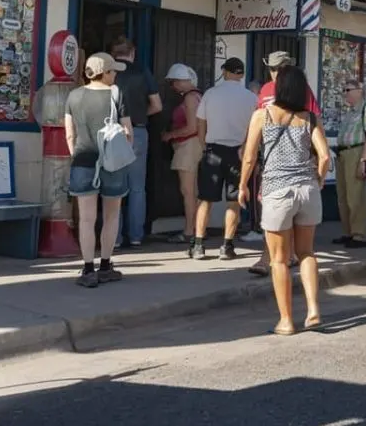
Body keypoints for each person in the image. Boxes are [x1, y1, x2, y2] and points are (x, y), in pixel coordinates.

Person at [237, 65, 332, 336]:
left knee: (278, 260)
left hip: (278, 191)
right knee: (307, 253)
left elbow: (249, 156)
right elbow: (324, 156)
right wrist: (320, 179)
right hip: (307, 191)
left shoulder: (262, 115)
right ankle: (313, 310)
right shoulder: (309, 118)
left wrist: (243, 185)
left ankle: (286, 321)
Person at [247, 51, 321, 275]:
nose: (274, 73)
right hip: (278, 162)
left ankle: (270, 258)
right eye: (271, 68)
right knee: (284, 221)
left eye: (277, 68)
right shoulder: (268, 90)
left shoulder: (300, 91)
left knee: (277, 218)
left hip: (289, 166)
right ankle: (283, 257)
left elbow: (313, 124)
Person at [64, 53, 130, 288]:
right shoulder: (116, 94)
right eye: (114, 71)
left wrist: (76, 154)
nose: (116, 75)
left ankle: (88, 269)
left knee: (86, 219)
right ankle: (105, 265)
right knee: (112, 215)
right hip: (112, 162)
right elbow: (127, 131)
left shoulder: (74, 95)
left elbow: (69, 134)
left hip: (83, 160)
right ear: (106, 73)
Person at [191, 58, 257, 260]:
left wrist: (204, 145)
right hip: (238, 152)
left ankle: (199, 245)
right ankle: (227, 246)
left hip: (213, 150)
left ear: (224, 71)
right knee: (233, 201)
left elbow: (200, 123)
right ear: (242, 74)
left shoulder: (211, 93)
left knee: (205, 199)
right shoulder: (251, 98)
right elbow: (254, 128)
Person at [110, 37, 162, 248]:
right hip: (138, 130)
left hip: (112, 131)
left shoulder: (109, 72)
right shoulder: (142, 71)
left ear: (114, 54)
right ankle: (136, 236)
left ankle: (113, 238)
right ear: (132, 53)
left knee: (114, 186)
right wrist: (139, 116)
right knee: (137, 187)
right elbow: (157, 105)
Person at [332, 78, 366, 248]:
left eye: (348, 90)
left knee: (356, 196)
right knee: (343, 196)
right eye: (343, 90)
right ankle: (348, 232)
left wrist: (362, 160)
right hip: (343, 153)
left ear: (359, 90)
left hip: (356, 152)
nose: (345, 93)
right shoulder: (351, 111)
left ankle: (359, 235)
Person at [161, 64, 202, 241]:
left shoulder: (190, 99)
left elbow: (192, 127)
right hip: (196, 145)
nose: (173, 86)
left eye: (175, 81)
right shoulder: (199, 96)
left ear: (186, 81)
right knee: (195, 191)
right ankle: (197, 229)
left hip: (188, 146)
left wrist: (170, 135)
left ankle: (189, 231)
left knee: (188, 191)